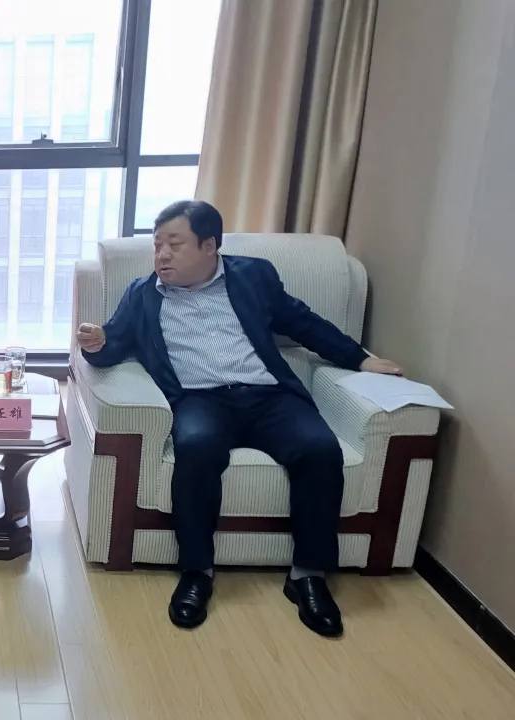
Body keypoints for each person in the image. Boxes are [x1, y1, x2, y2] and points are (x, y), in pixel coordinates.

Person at [76, 200, 402, 638]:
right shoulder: (143, 293)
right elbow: (113, 343)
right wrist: (97, 343)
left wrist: (359, 359)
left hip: (269, 396)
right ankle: (196, 571)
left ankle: (308, 575)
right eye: (157, 246)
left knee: (319, 450)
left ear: (209, 245)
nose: (162, 256)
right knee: (195, 447)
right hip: (199, 399)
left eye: (175, 244)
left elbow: (303, 323)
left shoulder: (253, 276)